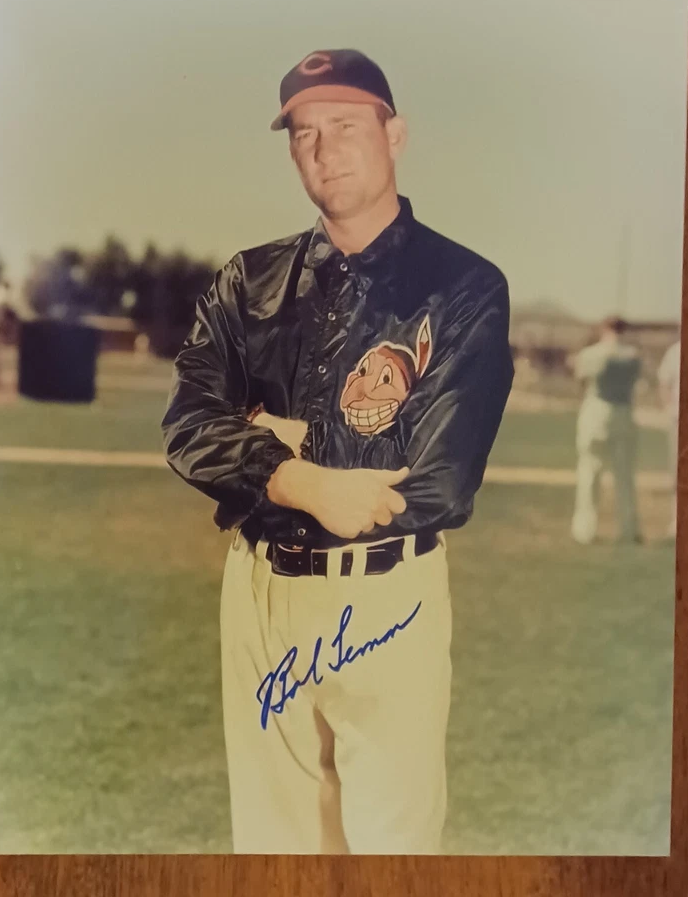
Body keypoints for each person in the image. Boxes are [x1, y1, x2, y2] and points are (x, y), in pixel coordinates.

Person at [161, 48, 514, 855]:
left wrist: (274, 438)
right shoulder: (247, 280)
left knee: (391, 844)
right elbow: (187, 420)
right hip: (258, 589)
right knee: (273, 841)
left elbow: (441, 477)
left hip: (388, 591)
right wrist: (293, 475)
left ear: (396, 134)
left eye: (347, 125)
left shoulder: (462, 285)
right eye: (304, 133)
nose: (324, 149)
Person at [569, 315, 643, 544]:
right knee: (624, 476)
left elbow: (579, 380)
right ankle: (628, 530)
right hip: (622, 413)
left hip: (596, 411)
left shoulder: (591, 353)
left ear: (604, 329)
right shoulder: (633, 356)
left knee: (590, 472)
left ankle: (585, 531)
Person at [657, 336, 681, 539]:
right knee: (678, 470)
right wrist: (668, 409)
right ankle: (677, 519)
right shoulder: (676, 351)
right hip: (679, 419)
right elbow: (664, 382)